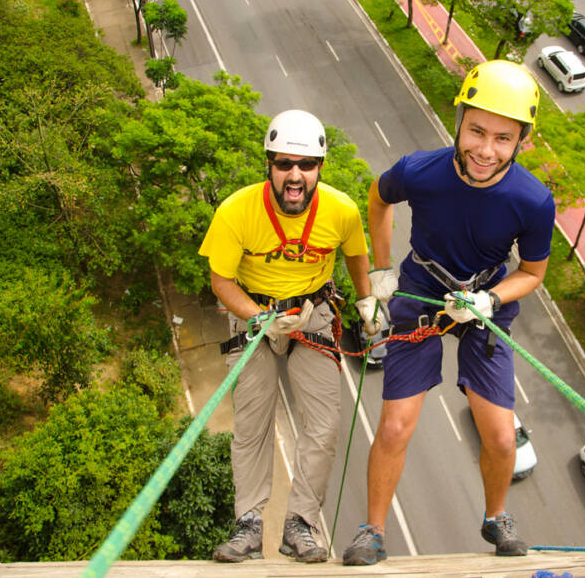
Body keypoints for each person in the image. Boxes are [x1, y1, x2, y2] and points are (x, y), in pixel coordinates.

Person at [342, 60, 556, 565]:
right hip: (421, 290)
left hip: (485, 301)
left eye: (504, 138)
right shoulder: (422, 171)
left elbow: (532, 272)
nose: (486, 149)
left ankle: (496, 517)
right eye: (477, 130)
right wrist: (381, 271)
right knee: (395, 425)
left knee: (502, 436)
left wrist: (491, 300)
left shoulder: (532, 200)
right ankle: (372, 530)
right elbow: (378, 198)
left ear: (521, 141)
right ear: (458, 119)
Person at [199, 109, 381, 563]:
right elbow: (220, 279)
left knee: (323, 425)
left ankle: (300, 523)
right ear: (270, 166)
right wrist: (256, 316)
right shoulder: (236, 211)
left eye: (305, 165)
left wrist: (367, 302)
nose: (294, 176)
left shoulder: (341, 211)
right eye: (283, 164)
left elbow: (357, 256)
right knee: (252, 423)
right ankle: (249, 524)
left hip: (313, 314)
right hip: (254, 316)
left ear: (320, 167)